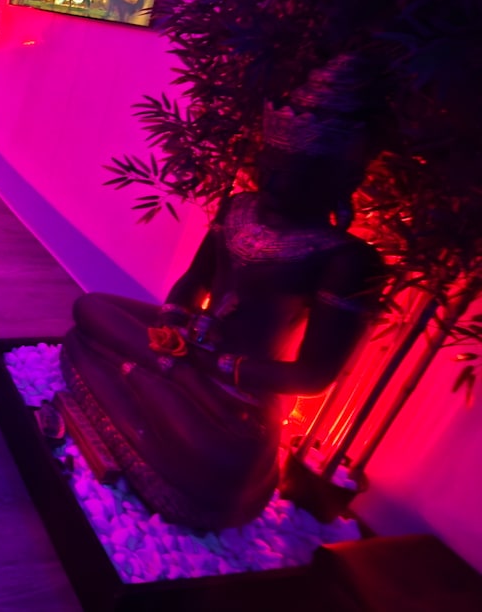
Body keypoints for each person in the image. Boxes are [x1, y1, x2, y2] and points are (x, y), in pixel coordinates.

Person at [60, 56, 388, 530]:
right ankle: (152, 374)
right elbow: (196, 280)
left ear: (336, 180)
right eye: (268, 161)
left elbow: (313, 375)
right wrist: (172, 321)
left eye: (290, 169)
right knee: (91, 307)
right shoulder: (238, 208)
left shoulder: (346, 259)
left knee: (229, 460)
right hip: (187, 344)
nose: (270, 179)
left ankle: (138, 372)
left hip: (239, 392)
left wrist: (219, 366)